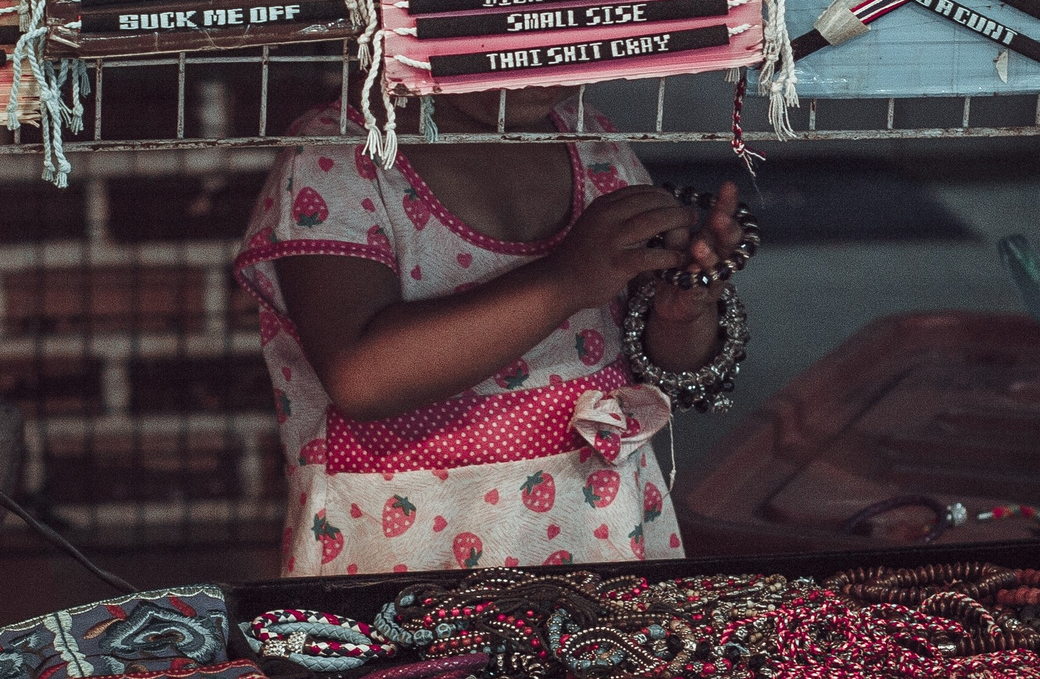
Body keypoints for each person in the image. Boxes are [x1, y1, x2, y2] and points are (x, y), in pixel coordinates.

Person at [233, 86, 753, 576]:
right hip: (403, 548)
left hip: (595, 527)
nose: (542, 55)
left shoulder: (588, 137)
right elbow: (361, 378)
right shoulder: (341, 154)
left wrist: (682, 312)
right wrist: (564, 280)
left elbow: (657, 360)